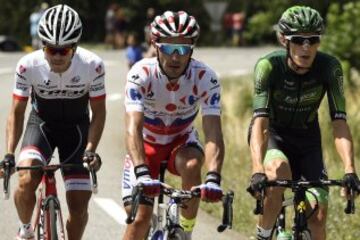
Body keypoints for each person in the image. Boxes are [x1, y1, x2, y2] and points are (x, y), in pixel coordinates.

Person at [247, 6, 360, 240]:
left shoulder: (330, 67)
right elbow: (260, 121)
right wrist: (257, 169)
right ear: (283, 40)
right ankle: (264, 235)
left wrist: (350, 169)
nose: (306, 47)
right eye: (298, 40)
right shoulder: (268, 67)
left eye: (313, 40)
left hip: (308, 139)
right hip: (274, 134)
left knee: (318, 217)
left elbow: (339, 123)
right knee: (278, 179)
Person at [0, 4, 106, 240]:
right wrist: (9, 153)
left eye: (64, 50)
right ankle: (26, 228)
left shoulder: (93, 65)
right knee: (26, 178)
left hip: (76, 131)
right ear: (42, 45)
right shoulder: (27, 65)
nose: (57, 56)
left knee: (79, 207)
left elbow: (98, 112)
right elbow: (17, 112)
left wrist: (91, 150)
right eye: (51, 49)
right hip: (42, 126)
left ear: (75, 47)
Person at [122, 10, 225, 240]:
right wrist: (141, 171)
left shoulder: (206, 77)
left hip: (181, 140)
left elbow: (213, 133)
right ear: (155, 45)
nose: (176, 57)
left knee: (190, 165)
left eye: (184, 49)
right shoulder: (141, 73)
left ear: (192, 49)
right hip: (146, 144)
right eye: (169, 48)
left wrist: (213, 178)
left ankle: (185, 231)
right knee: (139, 219)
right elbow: (133, 128)